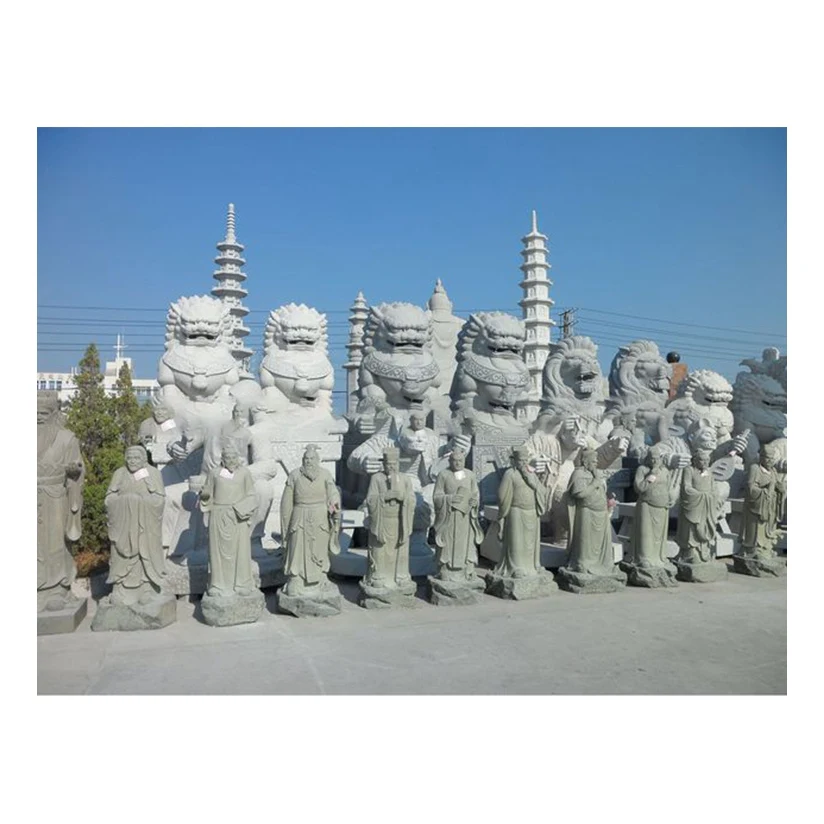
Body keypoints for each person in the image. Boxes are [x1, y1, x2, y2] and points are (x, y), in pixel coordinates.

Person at [37, 391, 84, 611]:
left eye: (44, 413)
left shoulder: (67, 438)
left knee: (54, 541)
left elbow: (78, 468)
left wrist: (74, 471)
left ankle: (57, 589)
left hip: (54, 497)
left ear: (54, 413)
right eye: (34, 413)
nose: (38, 417)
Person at [105, 445, 167, 605]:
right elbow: (109, 499)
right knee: (120, 558)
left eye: (136, 458)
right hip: (123, 527)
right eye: (129, 458)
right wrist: (126, 502)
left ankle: (147, 589)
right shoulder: (119, 473)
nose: (132, 461)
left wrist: (140, 503)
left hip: (145, 528)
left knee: (145, 555)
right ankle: (119, 590)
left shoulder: (153, 473)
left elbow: (159, 500)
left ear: (144, 459)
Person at [281, 445, 341, 595]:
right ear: (302, 460)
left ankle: (321, 577)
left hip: (320, 516)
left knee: (320, 548)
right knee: (297, 549)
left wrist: (334, 501)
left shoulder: (325, 474)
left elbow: (332, 491)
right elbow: (286, 502)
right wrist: (286, 526)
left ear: (318, 460)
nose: (309, 462)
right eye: (306, 459)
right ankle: (296, 579)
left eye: (312, 459)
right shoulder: (294, 475)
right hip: (299, 516)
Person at [200, 442, 258, 597]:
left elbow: (252, 495)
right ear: (223, 459)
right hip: (218, 515)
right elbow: (207, 493)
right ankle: (218, 585)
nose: (231, 460)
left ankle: (242, 583)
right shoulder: (214, 473)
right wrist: (204, 496)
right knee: (217, 551)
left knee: (241, 551)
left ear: (238, 458)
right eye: (227, 457)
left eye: (233, 457)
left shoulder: (244, 473)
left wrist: (240, 509)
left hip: (238, 516)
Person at [363, 448, 415, 589]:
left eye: (394, 464)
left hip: (400, 521)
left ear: (398, 463)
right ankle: (378, 576)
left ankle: (401, 576)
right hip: (382, 521)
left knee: (401, 549)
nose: (391, 467)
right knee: (379, 549)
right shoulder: (376, 478)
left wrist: (402, 497)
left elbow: (412, 499)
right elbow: (370, 499)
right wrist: (384, 497)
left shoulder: (405, 479)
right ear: (383, 464)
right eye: (388, 464)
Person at [494, 445, 549, 578]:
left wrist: (533, 483)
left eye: (525, 460)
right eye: (520, 460)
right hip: (516, 511)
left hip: (531, 512)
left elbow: (542, 491)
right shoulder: (510, 474)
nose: (523, 463)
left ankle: (532, 565)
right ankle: (515, 567)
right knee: (516, 542)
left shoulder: (531, 473)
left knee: (530, 543)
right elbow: (502, 495)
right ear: (514, 461)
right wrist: (504, 509)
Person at [432, 447, 484, 581]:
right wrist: (449, 499)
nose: (457, 463)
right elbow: (437, 496)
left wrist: (474, 501)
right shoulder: (443, 475)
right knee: (448, 543)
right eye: (454, 461)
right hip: (449, 516)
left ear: (464, 460)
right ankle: (446, 570)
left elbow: (475, 493)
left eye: (460, 460)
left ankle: (467, 569)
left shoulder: (470, 475)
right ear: (449, 461)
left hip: (466, 518)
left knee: (467, 543)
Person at [566, 448, 616, 576]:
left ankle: (602, 563)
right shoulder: (579, 474)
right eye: (593, 461)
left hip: (601, 513)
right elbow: (579, 493)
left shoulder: (597, 474)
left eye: (596, 461)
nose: (595, 463)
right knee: (585, 542)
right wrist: (595, 483)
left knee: (600, 543)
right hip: (586, 512)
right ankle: (583, 563)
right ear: (585, 461)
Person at [631, 444, 675, 570]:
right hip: (646, 505)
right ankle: (644, 558)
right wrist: (651, 476)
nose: (654, 461)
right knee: (646, 533)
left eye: (657, 458)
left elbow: (668, 487)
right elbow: (639, 488)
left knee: (659, 535)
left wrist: (670, 498)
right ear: (648, 458)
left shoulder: (665, 471)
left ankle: (659, 556)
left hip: (661, 506)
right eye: (652, 458)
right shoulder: (642, 470)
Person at [740, 443, 785, 559]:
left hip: (770, 507)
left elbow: (776, 485)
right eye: (767, 458)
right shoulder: (755, 469)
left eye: (772, 458)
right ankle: (753, 550)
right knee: (756, 530)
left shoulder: (773, 471)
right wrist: (766, 491)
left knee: (767, 529)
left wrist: (780, 490)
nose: (769, 461)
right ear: (761, 457)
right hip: (757, 507)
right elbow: (750, 488)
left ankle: (766, 548)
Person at [676, 449, 720, 564]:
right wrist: (702, 495)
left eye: (707, 460)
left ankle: (703, 552)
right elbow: (686, 488)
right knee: (691, 529)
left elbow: (714, 488)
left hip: (706, 506)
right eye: (701, 460)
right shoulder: (689, 470)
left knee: (705, 527)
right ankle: (690, 553)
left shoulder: (709, 472)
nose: (704, 463)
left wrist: (712, 496)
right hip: (694, 506)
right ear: (694, 460)